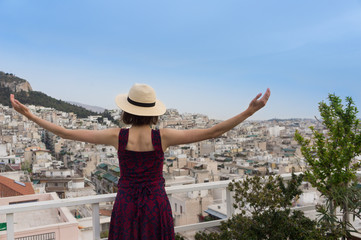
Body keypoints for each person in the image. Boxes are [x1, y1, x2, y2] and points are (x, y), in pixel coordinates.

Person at [10, 83, 270, 240]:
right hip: (155, 203)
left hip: (126, 204)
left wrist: (31, 115)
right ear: (153, 112)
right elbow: (212, 132)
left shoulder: (117, 136)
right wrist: (249, 111)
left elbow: (66, 133)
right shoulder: (163, 137)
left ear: (127, 110)